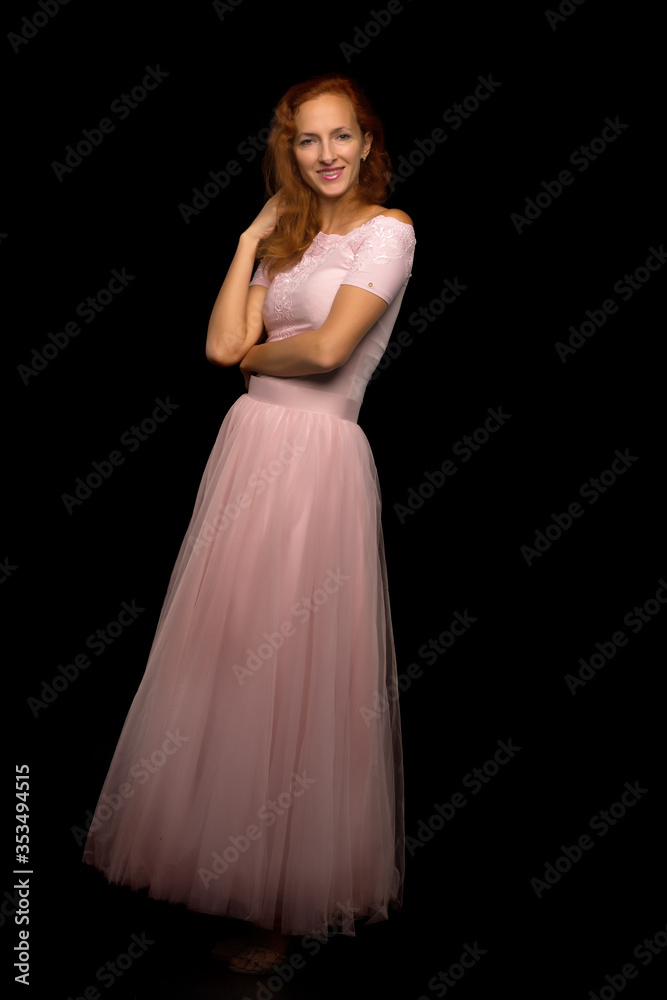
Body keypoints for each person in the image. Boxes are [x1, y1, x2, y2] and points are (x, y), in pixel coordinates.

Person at [82, 72, 416, 977]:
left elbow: (328, 349)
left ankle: (279, 906)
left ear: (366, 140)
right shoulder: (290, 241)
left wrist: (259, 355)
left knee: (292, 672)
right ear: (289, 151)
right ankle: (218, 872)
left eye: (340, 136)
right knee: (230, 658)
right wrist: (248, 240)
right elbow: (216, 348)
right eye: (308, 141)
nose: (327, 155)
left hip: (314, 466)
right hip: (247, 459)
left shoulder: (389, 233)